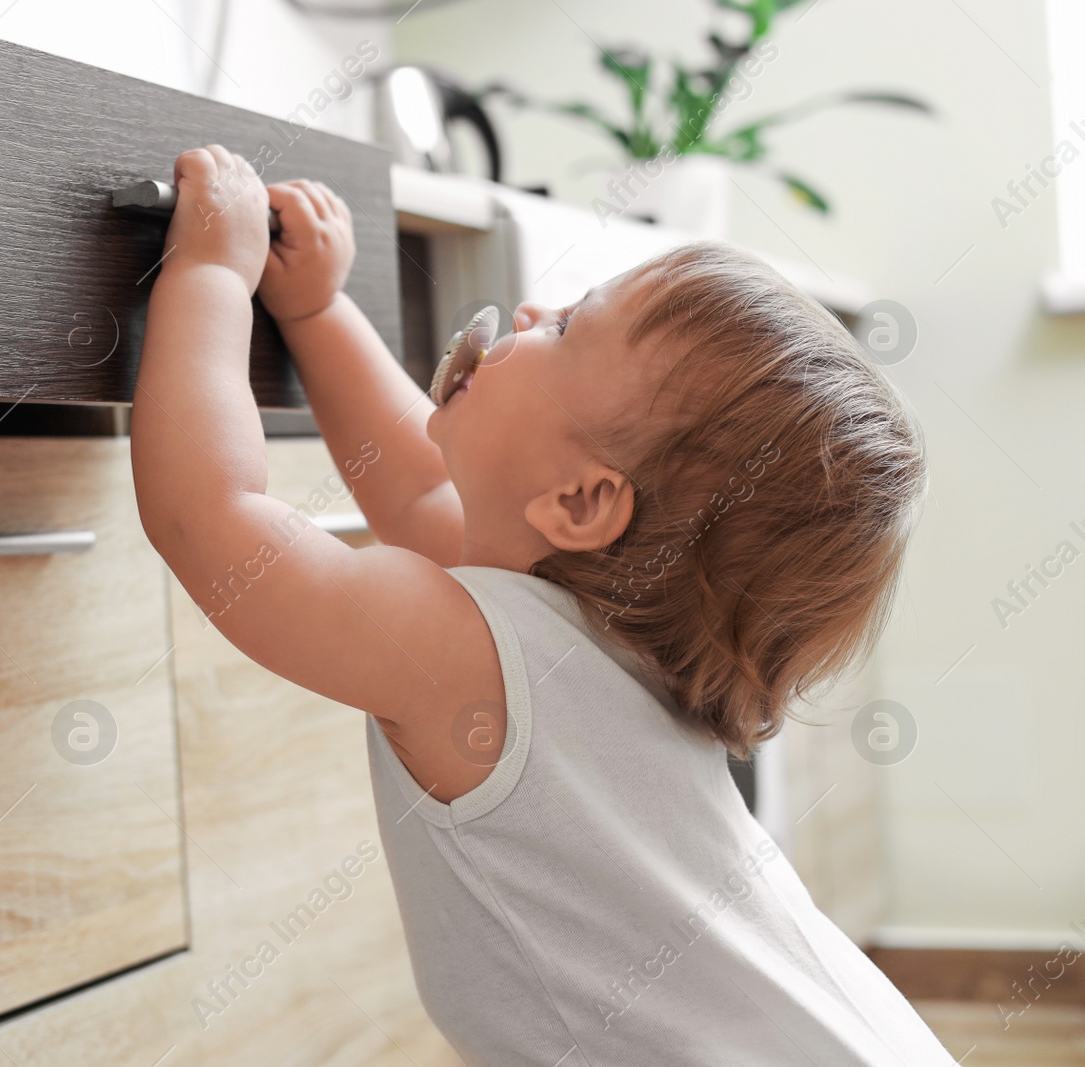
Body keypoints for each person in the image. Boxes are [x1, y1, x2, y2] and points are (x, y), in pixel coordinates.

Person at [130, 144, 949, 1065]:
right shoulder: (581, 634)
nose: (526, 311)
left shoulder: (476, 658)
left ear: (582, 502)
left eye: (564, 328)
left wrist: (208, 270)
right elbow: (418, 497)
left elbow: (210, 521)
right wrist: (317, 309)